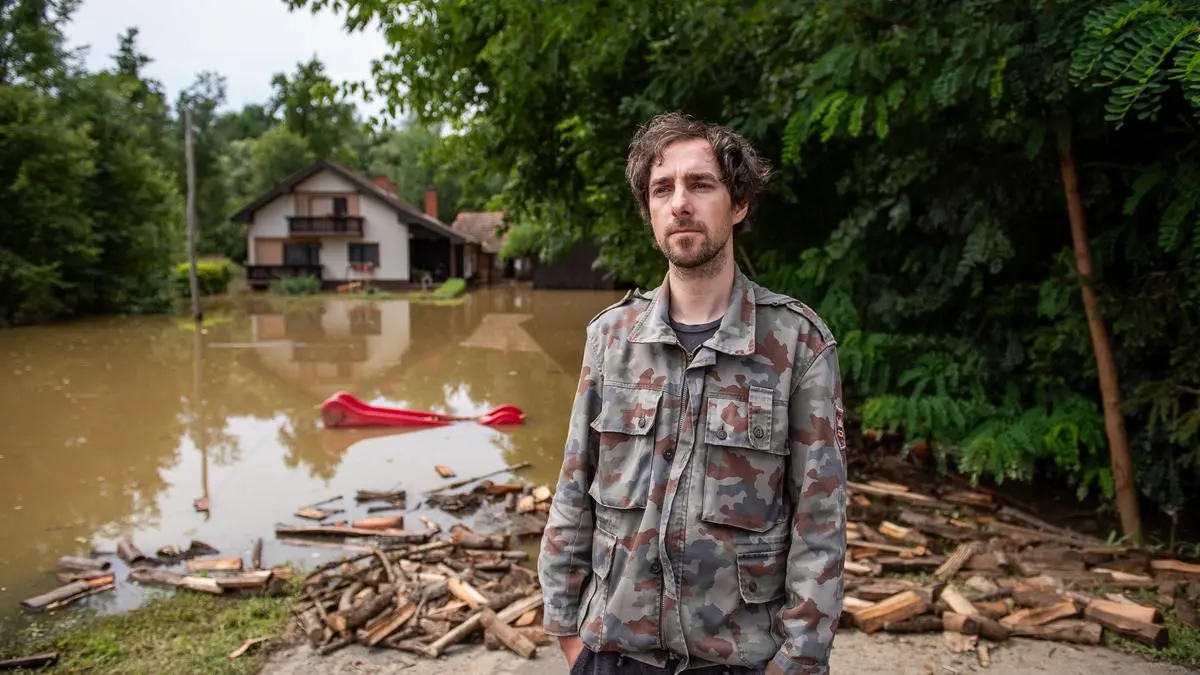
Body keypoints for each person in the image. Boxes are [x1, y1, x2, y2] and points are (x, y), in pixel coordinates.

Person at [538, 112, 848, 675]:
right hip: (613, 653)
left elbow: (820, 520)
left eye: (700, 184)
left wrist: (798, 660)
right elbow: (573, 488)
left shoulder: (797, 344)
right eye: (663, 189)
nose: (680, 203)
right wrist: (565, 628)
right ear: (649, 212)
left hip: (739, 660)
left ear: (739, 203)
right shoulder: (611, 338)